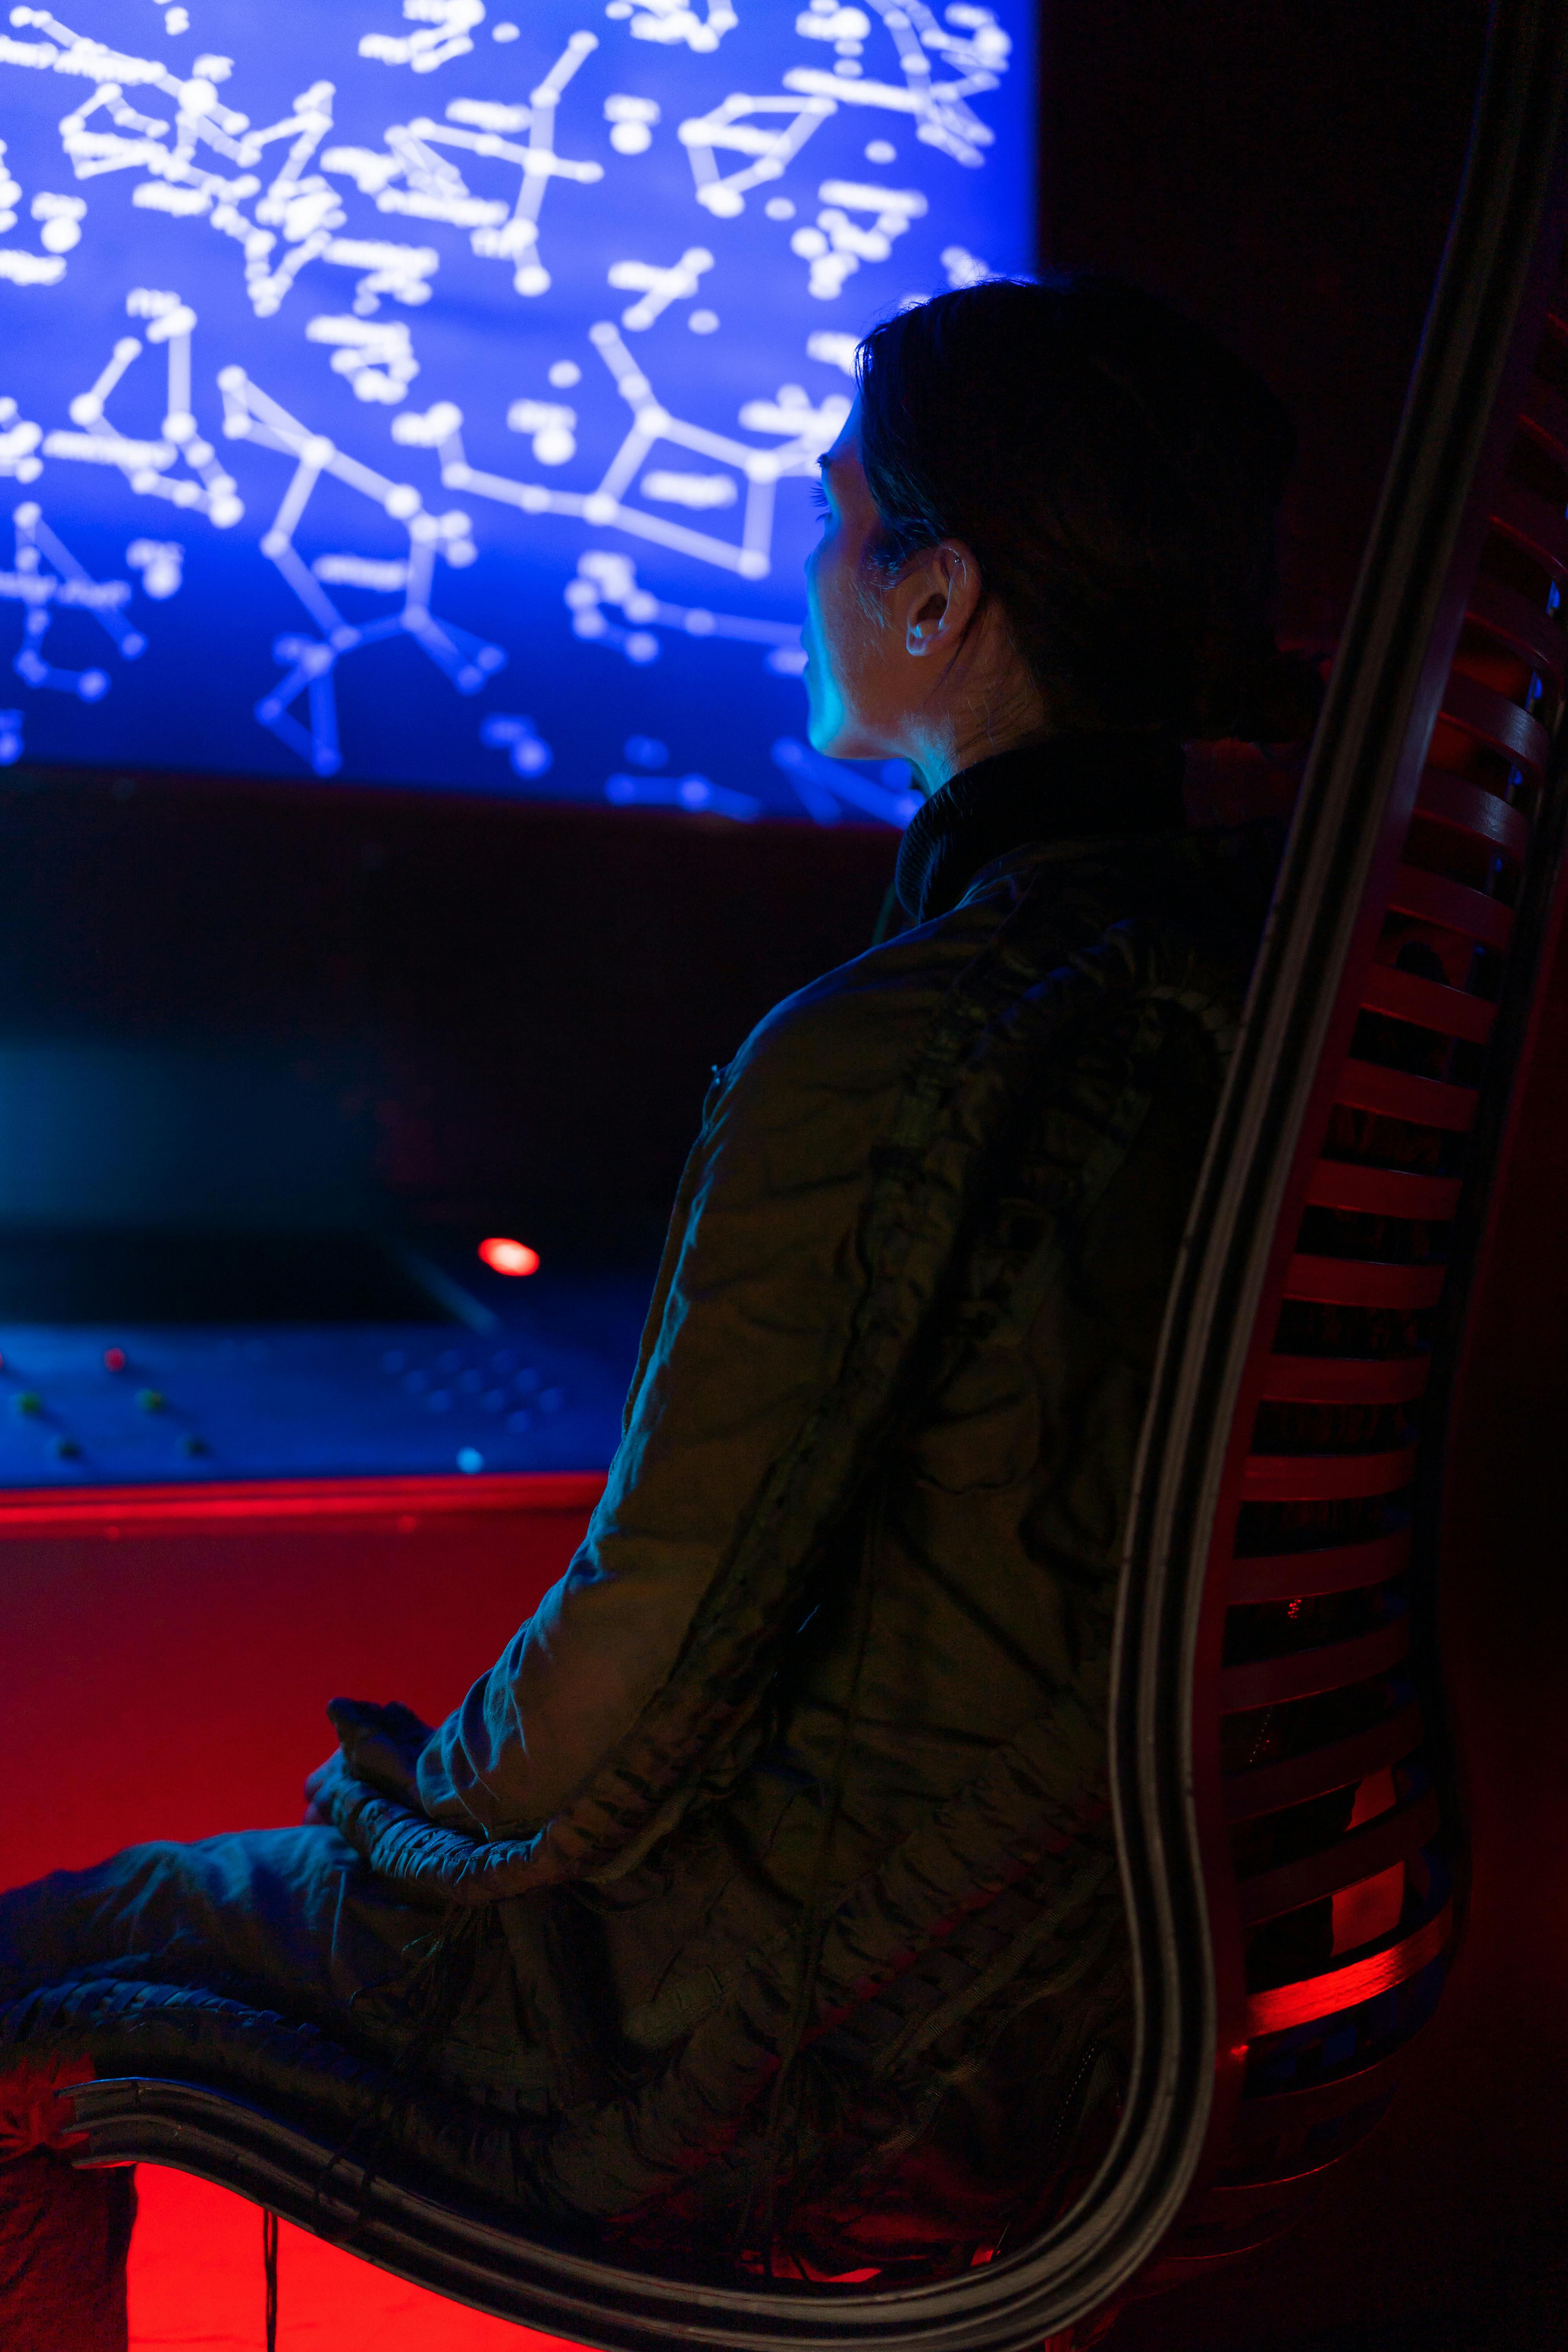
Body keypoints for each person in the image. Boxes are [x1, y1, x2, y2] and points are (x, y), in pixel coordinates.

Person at [0, 274, 1318, 2345]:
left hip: (784, 2053)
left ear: (939, 596)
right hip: (1117, 2003)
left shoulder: (903, 1044)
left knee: (24, 1988)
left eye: (832, 521)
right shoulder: (1263, 1001)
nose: (804, 576)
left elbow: (630, 1671)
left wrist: (387, 1839)